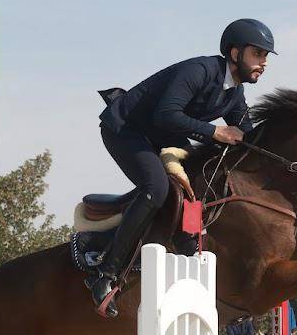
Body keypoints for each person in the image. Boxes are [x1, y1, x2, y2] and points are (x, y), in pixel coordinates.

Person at [88, 19, 276, 316]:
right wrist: (216, 132)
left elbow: (247, 135)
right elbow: (166, 115)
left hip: (161, 133)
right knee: (156, 188)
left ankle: (182, 242)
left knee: (200, 182)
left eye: (266, 57)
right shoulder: (199, 71)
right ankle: (105, 273)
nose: (263, 63)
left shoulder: (234, 93)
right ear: (236, 53)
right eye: (258, 54)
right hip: (126, 129)